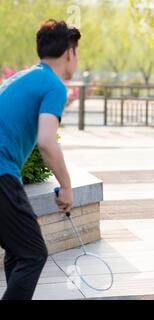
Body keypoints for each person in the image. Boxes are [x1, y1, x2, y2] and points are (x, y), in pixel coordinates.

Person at [0, 19, 80, 300]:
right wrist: (67, 186)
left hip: (5, 174)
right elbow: (47, 141)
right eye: (77, 53)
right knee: (33, 254)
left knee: (18, 251)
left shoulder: (23, 76)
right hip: (1, 173)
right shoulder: (53, 86)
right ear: (70, 52)